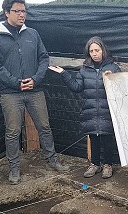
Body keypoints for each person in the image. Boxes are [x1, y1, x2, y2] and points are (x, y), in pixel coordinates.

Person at [0, 0, 70, 185]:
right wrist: (16, 83)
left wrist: (36, 79)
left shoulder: (32, 33)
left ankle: (52, 160)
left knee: (44, 126)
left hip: (34, 89)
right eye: (17, 11)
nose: (22, 14)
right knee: (13, 131)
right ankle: (14, 169)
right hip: (9, 92)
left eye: (24, 11)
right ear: (7, 12)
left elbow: (44, 58)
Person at [49, 36, 121, 179]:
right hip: (90, 110)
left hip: (107, 110)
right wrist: (64, 74)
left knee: (107, 138)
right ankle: (95, 164)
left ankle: (108, 165)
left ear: (103, 50)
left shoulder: (113, 68)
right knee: (93, 137)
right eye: (91, 51)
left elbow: (121, 88)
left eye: (97, 50)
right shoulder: (84, 70)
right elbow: (76, 87)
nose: (94, 53)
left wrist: (113, 78)